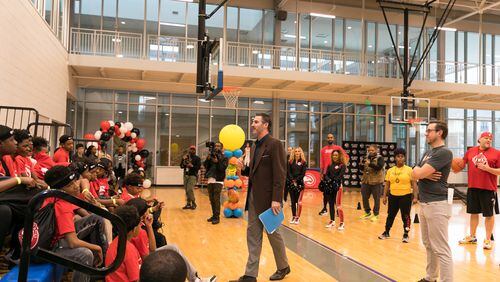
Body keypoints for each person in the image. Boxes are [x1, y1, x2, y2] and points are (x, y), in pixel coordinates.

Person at [238, 113, 290, 282]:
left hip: (269, 200)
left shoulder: (275, 145)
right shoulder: (253, 146)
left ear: (266, 125)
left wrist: (276, 199)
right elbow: (252, 172)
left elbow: (280, 174)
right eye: (253, 121)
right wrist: (242, 169)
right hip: (253, 198)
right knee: (252, 235)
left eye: (256, 122)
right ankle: (250, 275)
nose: (252, 124)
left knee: (273, 234)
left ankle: (283, 267)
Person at [44, 165, 108, 282]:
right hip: (50, 247)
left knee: (96, 219)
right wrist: (97, 248)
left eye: (74, 182)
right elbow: (73, 242)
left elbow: (87, 216)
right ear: (60, 190)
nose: (75, 186)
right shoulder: (62, 206)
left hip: (55, 238)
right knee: (85, 254)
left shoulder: (53, 195)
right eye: (69, 185)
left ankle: (103, 265)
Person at [412, 121, 453, 282]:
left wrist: (421, 173)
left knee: (441, 248)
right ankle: (431, 277)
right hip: (424, 203)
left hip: (438, 205)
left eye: (429, 130)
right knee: (429, 245)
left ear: (440, 132)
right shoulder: (428, 153)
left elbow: (418, 172)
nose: (426, 133)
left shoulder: (444, 152)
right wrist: (422, 173)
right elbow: (413, 172)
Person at [456, 132, 500, 250]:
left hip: (488, 189)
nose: (489, 140)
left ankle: (487, 239)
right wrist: (455, 166)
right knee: (473, 213)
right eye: (486, 138)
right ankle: (472, 236)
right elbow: (461, 164)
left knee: (489, 215)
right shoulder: (471, 151)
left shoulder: (496, 153)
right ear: (479, 139)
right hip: (473, 187)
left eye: (490, 139)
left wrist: (488, 169)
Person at [378, 148, 418, 243]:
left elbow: (414, 184)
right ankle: (386, 232)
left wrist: (415, 196)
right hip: (393, 196)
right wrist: (384, 196)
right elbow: (387, 184)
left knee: (406, 216)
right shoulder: (390, 170)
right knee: (390, 215)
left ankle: (406, 234)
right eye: (398, 156)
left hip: (406, 196)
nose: (400, 158)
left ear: (404, 158)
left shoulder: (409, 170)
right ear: (395, 158)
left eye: (402, 156)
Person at [105, 205, 142, 282]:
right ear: (134, 229)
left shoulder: (115, 242)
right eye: (139, 224)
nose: (141, 226)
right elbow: (135, 280)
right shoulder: (129, 249)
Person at [319, 133, 347, 216]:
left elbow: (346, 156)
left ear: (333, 139)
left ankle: (337, 210)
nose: (330, 139)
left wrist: (343, 166)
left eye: (331, 137)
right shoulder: (323, 149)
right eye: (328, 138)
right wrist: (321, 173)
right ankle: (324, 208)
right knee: (325, 193)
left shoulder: (338, 148)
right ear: (327, 139)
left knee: (336, 194)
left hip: (336, 175)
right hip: (326, 174)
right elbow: (322, 162)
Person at [204, 142, 228, 224]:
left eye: (218, 146)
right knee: (211, 199)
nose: (217, 147)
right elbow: (205, 165)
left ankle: (217, 217)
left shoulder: (224, 157)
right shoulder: (211, 155)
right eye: (216, 146)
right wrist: (207, 159)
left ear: (221, 148)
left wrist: (217, 161)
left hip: (218, 179)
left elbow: (222, 168)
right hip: (210, 179)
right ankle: (214, 215)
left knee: (216, 198)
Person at [360, 144, 385, 221]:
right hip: (366, 181)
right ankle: (367, 212)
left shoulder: (380, 158)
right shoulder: (366, 158)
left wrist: (370, 164)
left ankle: (376, 214)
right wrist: (361, 164)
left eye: (372, 150)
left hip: (376, 182)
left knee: (376, 199)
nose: (370, 152)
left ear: (376, 150)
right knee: (364, 197)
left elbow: (379, 167)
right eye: (369, 150)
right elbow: (362, 169)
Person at [323, 150, 347, 229]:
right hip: (330, 187)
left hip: (337, 187)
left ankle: (342, 222)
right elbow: (326, 175)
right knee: (331, 204)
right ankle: (332, 220)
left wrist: (333, 181)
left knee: (338, 205)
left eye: (336, 155)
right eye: (333, 155)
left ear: (339, 156)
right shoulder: (330, 165)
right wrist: (329, 180)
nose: (334, 157)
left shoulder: (342, 165)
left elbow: (340, 176)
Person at [287, 147, 307, 225]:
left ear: (301, 152)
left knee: (298, 202)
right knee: (292, 201)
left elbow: (303, 174)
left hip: (300, 184)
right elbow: (288, 172)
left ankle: (297, 218)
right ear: (294, 152)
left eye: (299, 151)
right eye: (296, 151)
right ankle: (293, 216)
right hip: (291, 183)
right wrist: (292, 180)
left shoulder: (303, 162)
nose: (297, 152)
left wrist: (296, 180)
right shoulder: (290, 161)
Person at [180, 145, 201, 210]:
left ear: (195, 150)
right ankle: (188, 204)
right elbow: (181, 166)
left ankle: (194, 203)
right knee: (186, 190)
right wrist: (183, 161)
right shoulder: (185, 157)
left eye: (193, 149)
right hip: (186, 175)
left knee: (190, 189)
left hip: (193, 175)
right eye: (191, 149)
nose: (192, 150)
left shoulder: (197, 158)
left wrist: (191, 166)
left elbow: (198, 168)